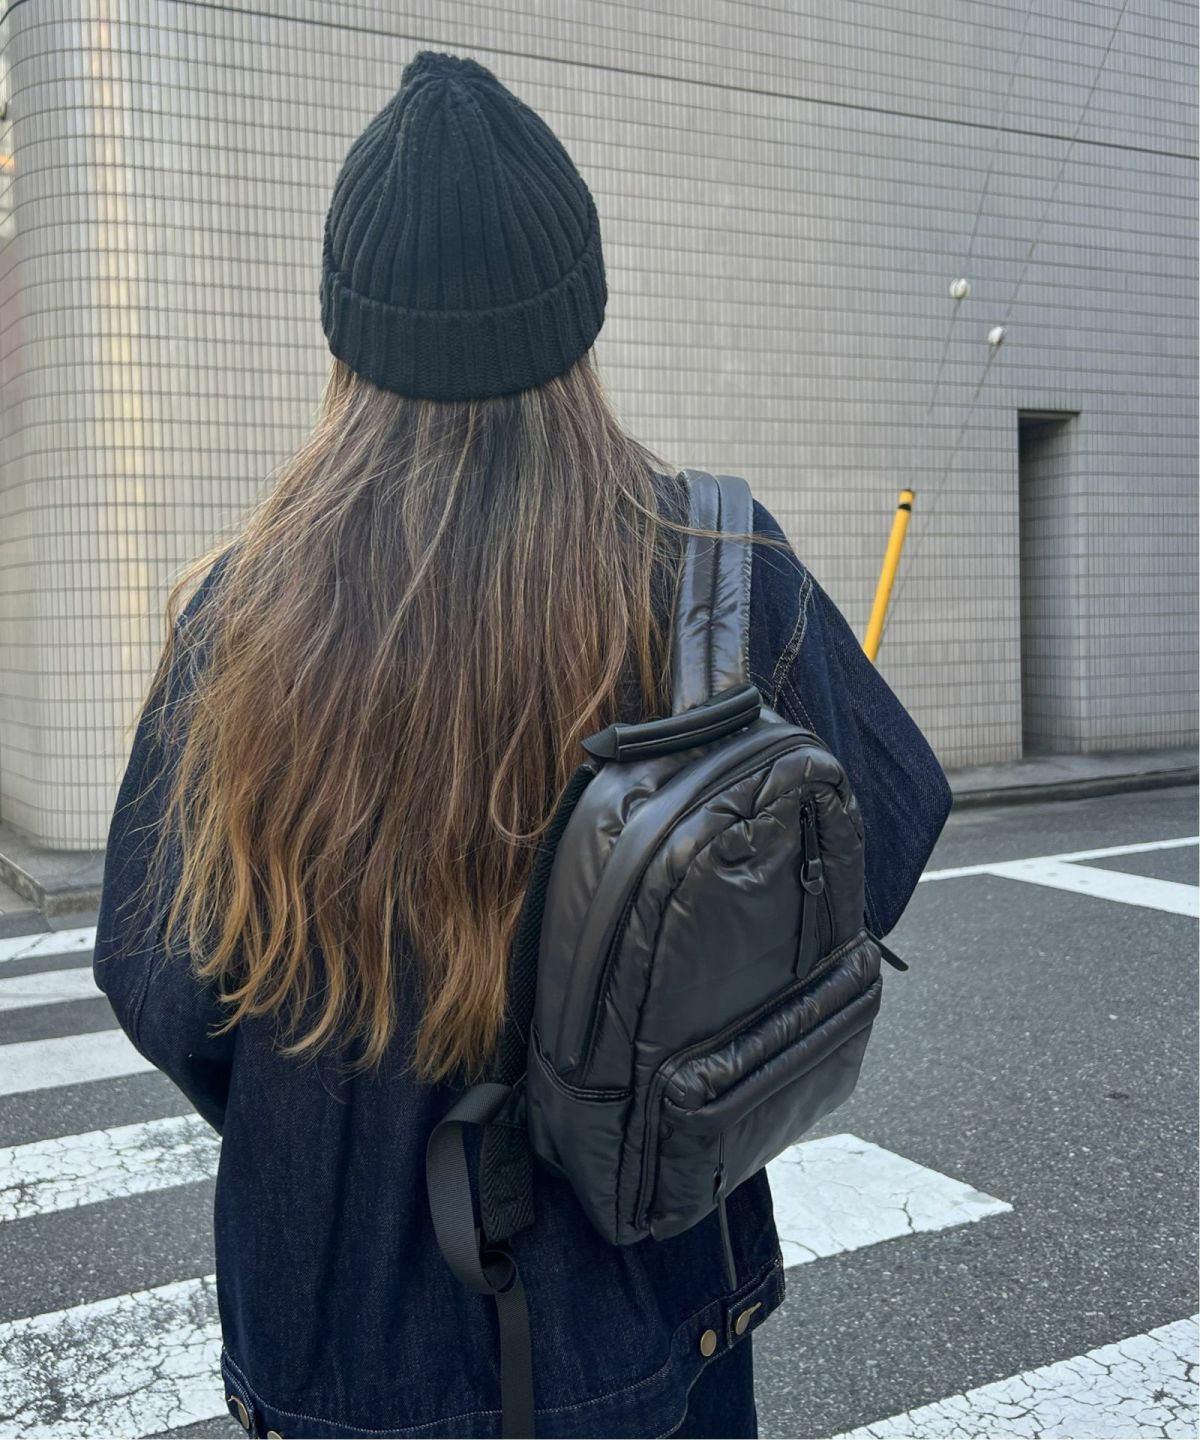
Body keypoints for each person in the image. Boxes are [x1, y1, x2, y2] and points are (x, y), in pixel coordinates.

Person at [93, 50, 953, 1440]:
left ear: (346, 341)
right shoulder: (716, 572)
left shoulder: (239, 623)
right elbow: (876, 856)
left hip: (341, 1345)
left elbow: (162, 991)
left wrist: (331, 1125)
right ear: (579, 316)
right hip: (655, 1303)